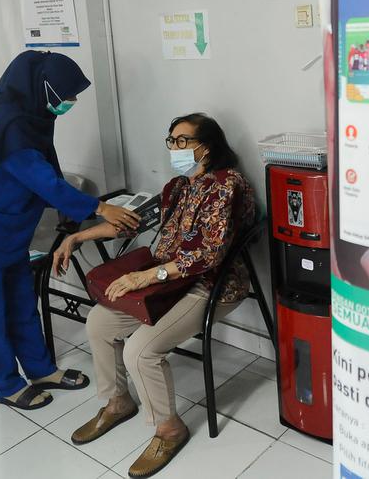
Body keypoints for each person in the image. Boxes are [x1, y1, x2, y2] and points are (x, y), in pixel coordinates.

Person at [0, 50, 140, 411]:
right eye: (66, 94)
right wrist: (100, 208)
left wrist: (76, 212)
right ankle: (7, 385)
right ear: (42, 87)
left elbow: (46, 171)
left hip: (6, 230)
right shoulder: (4, 122)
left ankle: (41, 370)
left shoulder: (33, 117)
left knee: (22, 304)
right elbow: (41, 179)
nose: (71, 101)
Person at [53, 113, 256, 478]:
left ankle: (169, 428)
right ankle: (118, 401)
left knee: (141, 350)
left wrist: (146, 275)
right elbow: (134, 223)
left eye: (182, 141)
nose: (174, 148)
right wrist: (77, 237)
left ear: (206, 148)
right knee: (98, 323)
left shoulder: (227, 185)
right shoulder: (177, 187)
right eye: (171, 140)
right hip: (167, 282)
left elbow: (209, 254)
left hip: (211, 284)